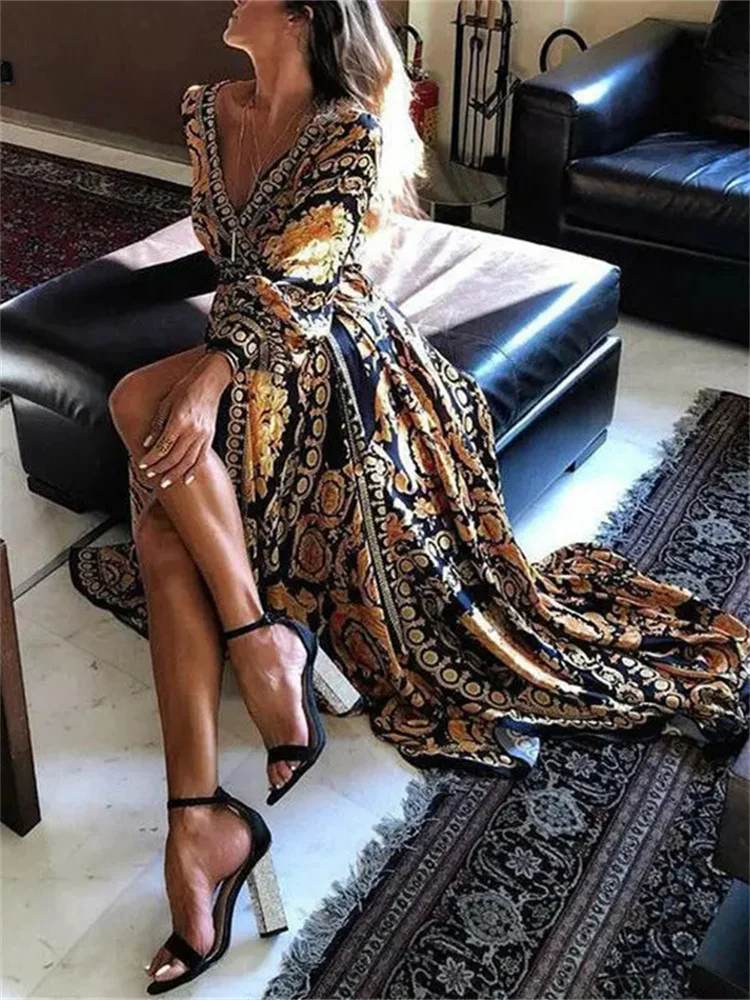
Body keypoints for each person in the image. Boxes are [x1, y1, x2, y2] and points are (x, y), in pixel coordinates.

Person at [67, 0, 750, 991]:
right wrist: (218, 365)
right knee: (158, 472)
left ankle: (214, 782)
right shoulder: (210, 110)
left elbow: (306, 286)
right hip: (250, 345)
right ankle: (215, 772)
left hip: (339, 358)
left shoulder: (348, 129)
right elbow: (231, 261)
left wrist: (212, 377)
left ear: (300, 13)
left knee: (149, 426)